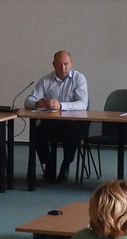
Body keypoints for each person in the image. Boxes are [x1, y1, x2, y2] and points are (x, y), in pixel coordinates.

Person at [25, 50, 89, 183]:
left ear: (71, 63)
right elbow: (28, 100)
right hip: (52, 123)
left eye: (66, 64)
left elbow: (83, 104)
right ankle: (48, 165)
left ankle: (66, 165)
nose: (63, 67)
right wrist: (37, 103)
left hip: (72, 122)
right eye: (59, 64)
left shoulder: (79, 78)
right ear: (53, 64)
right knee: (37, 133)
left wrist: (61, 105)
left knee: (72, 133)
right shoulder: (46, 80)